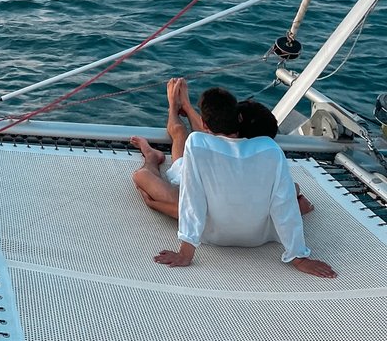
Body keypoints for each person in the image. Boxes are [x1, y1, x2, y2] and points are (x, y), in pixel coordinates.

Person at [131, 80, 335, 278]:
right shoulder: (271, 150)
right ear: (238, 120)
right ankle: (176, 112)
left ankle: (154, 152)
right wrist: (298, 256)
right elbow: (282, 202)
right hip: (258, 237)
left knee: (150, 174)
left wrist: (186, 251)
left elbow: (193, 197)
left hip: (212, 233)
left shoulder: (198, 143)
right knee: (289, 190)